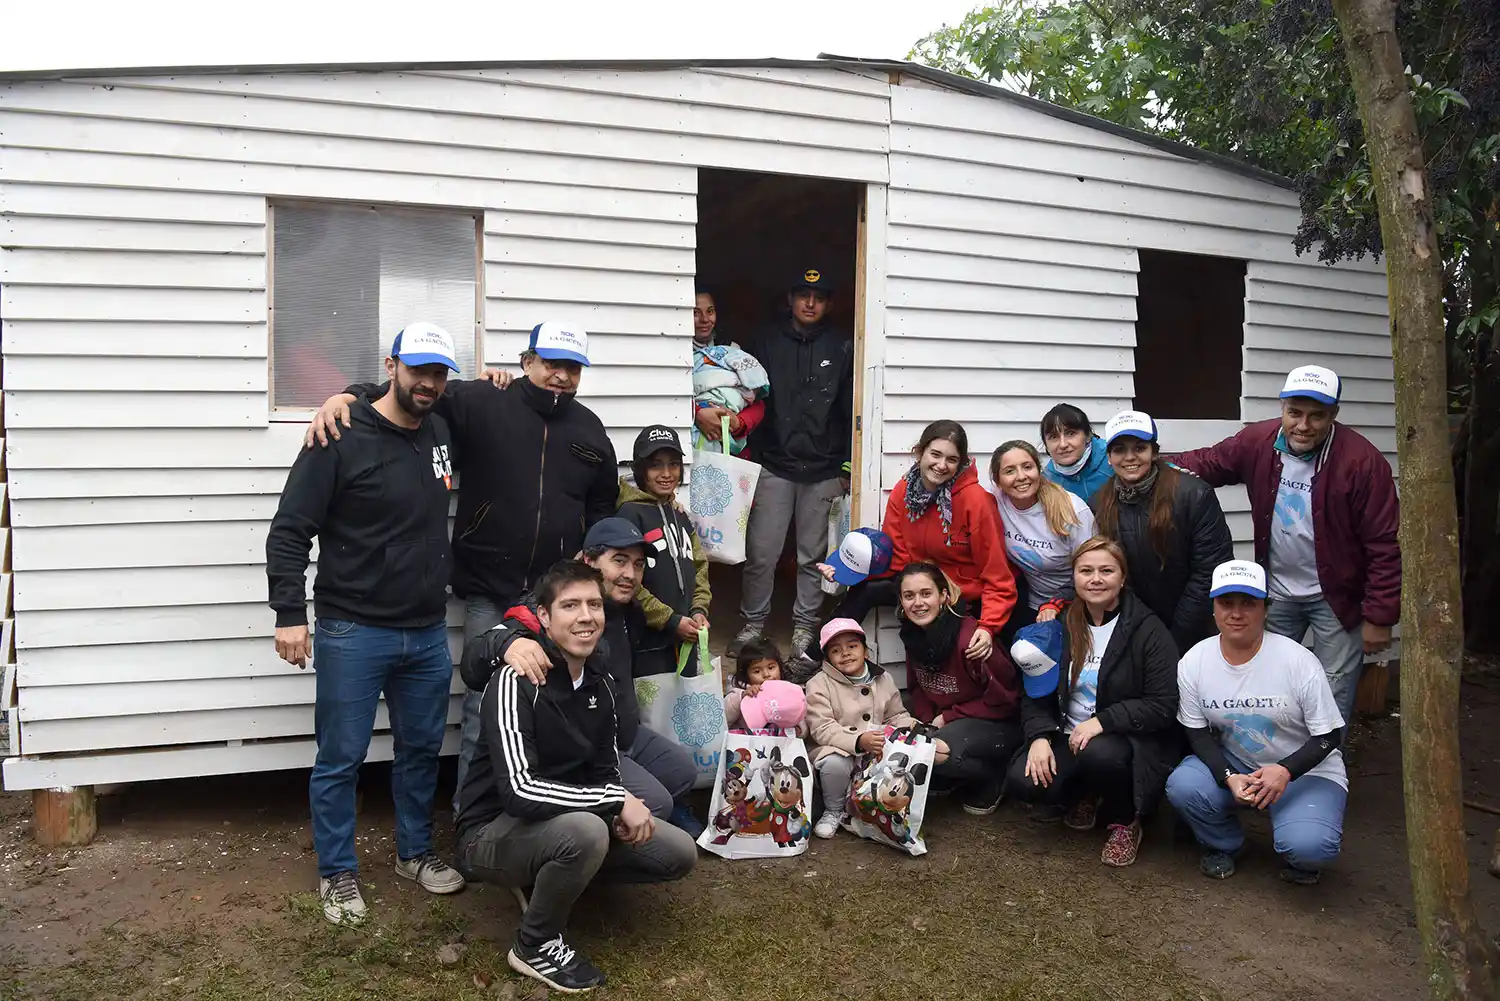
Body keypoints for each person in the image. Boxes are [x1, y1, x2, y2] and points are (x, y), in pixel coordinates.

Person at [302, 320, 620, 812]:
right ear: (527, 362)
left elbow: (602, 503)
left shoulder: (590, 429)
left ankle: (548, 808)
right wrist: (349, 395)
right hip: (490, 590)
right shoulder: (483, 401)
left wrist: (588, 560)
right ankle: (473, 822)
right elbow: (413, 393)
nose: (561, 375)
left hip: (555, 598)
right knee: (484, 706)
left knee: (555, 698)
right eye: (551, 363)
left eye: (572, 368)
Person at [266, 322, 468, 926]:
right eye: (417, 370)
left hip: (426, 631)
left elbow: (482, 398)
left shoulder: (440, 430)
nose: (428, 383)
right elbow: (290, 529)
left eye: (439, 373)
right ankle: (337, 872)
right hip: (353, 630)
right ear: (391, 365)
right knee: (341, 757)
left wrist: (504, 378)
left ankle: (414, 853)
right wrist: (288, 614)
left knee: (421, 751)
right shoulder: (339, 434)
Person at [455, 560, 696, 993]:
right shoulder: (515, 679)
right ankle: (535, 943)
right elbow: (519, 791)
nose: (586, 616)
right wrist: (614, 802)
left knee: (678, 852)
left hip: (561, 819)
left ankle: (554, 879)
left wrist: (614, 807)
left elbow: (604, 770)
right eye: (570, 606)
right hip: (490, 832)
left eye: (593, 605)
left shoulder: (599, 682)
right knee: (587, 831)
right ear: (543, 617)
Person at [1170, 365, 1400, 722]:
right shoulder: (1259, 442)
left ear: (1334, 415)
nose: (1303, 425)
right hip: (1276, 591)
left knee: (1332, 688)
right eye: (1295, 413)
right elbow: (1209, 462)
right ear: (1283, 408)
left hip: (1338, 597)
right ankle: (1274, 751)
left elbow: (1383, 544)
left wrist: (1380, 616)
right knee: (1269, 682)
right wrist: (1148, 464)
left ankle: (1326, 755)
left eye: (1316, 416)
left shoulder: (1362, 463)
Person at [462, 519, 703, 837]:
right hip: (580, 746)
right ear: (589, 561)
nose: (630, 574)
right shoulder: (553, 608)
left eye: (638, 564)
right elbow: (473, 663)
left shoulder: (627, 608)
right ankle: (599, 840)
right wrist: (506, 642)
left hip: (620, 734)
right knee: (656, 802)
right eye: (619, 561)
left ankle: (644, 819)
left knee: (683, 771)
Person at [1167, 560, 1348, 885]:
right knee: (1184, 785)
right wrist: (1228, 776)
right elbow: (1196, 731)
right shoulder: (1194, 661)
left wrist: (1286, 770)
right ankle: (1225, 844)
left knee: (1310, 847)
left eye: (1248, 603)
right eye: (1226, 603)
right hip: (1240, 761)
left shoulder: (1297, 661)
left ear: (1265, 608)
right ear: (1213, 608)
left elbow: (1330, 735)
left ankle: (1300, 845)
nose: (1236, 613)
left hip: (1305, 769)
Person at [1005, 538, 1181, 867]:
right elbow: (1035, 690)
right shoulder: (1061, 624)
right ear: (1074, 577)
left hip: (1123, 740)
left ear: (1123, 578)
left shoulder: (1147, 630)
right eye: (1086, 571)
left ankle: (1126, 819)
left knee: (1100, 754)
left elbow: (1163, 704)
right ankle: (1086, 793)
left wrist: (1103, 721)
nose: (1095, 579)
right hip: (1067, 733)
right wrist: (1040, 736)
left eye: (1106, 571)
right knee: (1023, 781)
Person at [814, 421, 1018, 665]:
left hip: (960, 595)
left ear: (961, 463)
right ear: (920, 452)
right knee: (864, 591)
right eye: (935, 454)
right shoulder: (904, 491)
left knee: (941, 650)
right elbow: (895, 559)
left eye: (952, 459)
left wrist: (988, 626)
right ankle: (811, 658)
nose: (941, 465)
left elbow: (998, 577)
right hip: (919, 584)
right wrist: (844, 571)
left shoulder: (977, 502)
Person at [733, 267, 855, 662]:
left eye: (819, 298)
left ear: (829, 304)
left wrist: (847, 466)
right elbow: (750, 396)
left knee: (812, 558)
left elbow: (852, 408)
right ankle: (753, 624)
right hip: (774, 464)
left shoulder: (844, 346)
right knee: (761, 553)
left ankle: (805, 628)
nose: (810, 303)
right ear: (790, 299)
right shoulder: (766, 342)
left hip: (824, 469)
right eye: (803, 295)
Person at [1091, 410, 1234, 655]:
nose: (1130, 457)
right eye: (1120, 450)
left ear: (1154, 452)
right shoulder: (1099, 504)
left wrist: (1176, 635)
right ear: (1109, 458)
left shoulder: (1193, 494)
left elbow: (1210, 570)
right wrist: (1142, 629)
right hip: (1136, 631)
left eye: (1139, 448)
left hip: (1194, 630)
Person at [804, 618, 950, 840]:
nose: (845, 653)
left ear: (866, 651)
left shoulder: (882, 678)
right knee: (835, 764)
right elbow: (822, 728)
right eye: (836, 650)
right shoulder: (819, 684)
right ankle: (833, 810)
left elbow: (896, 714)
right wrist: (857, 741)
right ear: (828, 660)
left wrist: (912, 726)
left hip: (877, 747)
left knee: (904, 759)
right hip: (838, 747)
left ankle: (880, 809)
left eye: (852, 646)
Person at [896, 562, 1023, 815]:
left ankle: (993, 776)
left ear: (943, 596)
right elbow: (917, 687)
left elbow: (1006, 700)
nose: (918, 603)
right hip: (952, 722)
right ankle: (954, 773)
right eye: (909, 596)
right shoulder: (913, 636)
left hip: (998, 723)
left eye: (926, 593)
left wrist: (948, 717)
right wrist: (926, 722)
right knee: (913, 744)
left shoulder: (971, 639)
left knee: (936, 751)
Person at [615, 425, 711, 677]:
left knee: (685, 698)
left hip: (686, 639)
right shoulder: (629, 514)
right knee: (653, 703)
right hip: (646, 646)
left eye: (674, 464)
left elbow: (699, 565)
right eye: (656, 465)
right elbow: (625, 581)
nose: (666, 474)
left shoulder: (680, 514)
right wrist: (669, 620)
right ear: (640, 469)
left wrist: (699, 610)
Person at [987, 439, 1096, 634]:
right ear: (998, 481)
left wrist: (1056, 603)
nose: (1021, 476)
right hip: (1029, 602)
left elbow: (1093, 568)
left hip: (1076, 602)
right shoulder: (995, 500)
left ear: (1039, 470)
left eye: (1027, 467)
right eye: (1010, 471)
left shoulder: (1072, 511)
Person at [691, 287, 769, 456]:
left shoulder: (733, 350)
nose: (704, 319)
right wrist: (697, 413)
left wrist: (739, 423)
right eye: (695, 313)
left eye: (710, 311)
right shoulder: (675, 354)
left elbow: (758, 401)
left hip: (732, 452)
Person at [724, 636, 805, 733]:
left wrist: (799, 730)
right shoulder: (740, 690)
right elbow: (723, 717)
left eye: (771, 668)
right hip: (744, 738)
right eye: (757, 671)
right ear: (745, 674)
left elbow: (800, 714)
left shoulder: (787, 691)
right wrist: (742, 697)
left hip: (778, 739)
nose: (766, 674)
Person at [1039, 403, 1114, 503]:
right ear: (1046, 445)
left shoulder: (1114, 459)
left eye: (1070, 433)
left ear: (1088, 436)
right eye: (1054, 437)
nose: (1063, 445)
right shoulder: (1047, 482)